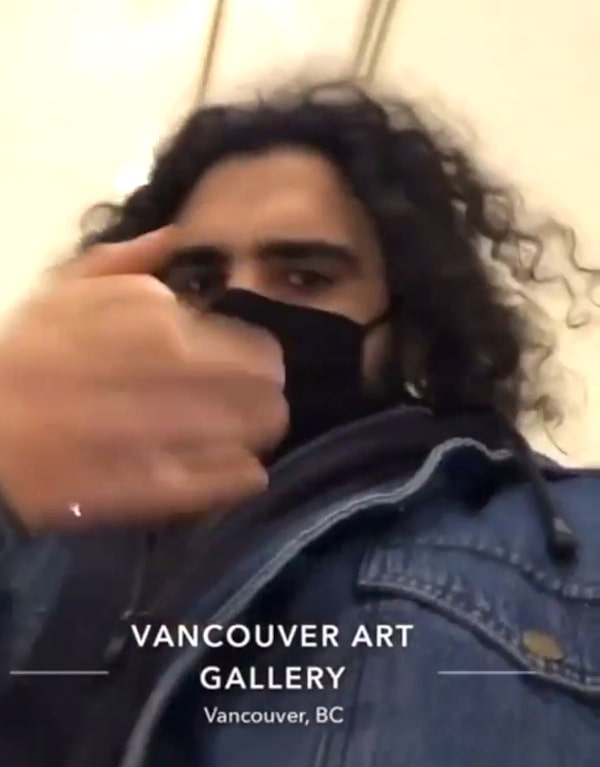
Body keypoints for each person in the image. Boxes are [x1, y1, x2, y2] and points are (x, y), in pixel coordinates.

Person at [0, 80, 598, 767]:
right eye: (198, 282)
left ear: (410, 328)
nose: (241, 304)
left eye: (305, 277)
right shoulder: (49, 524)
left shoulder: (563, 542)